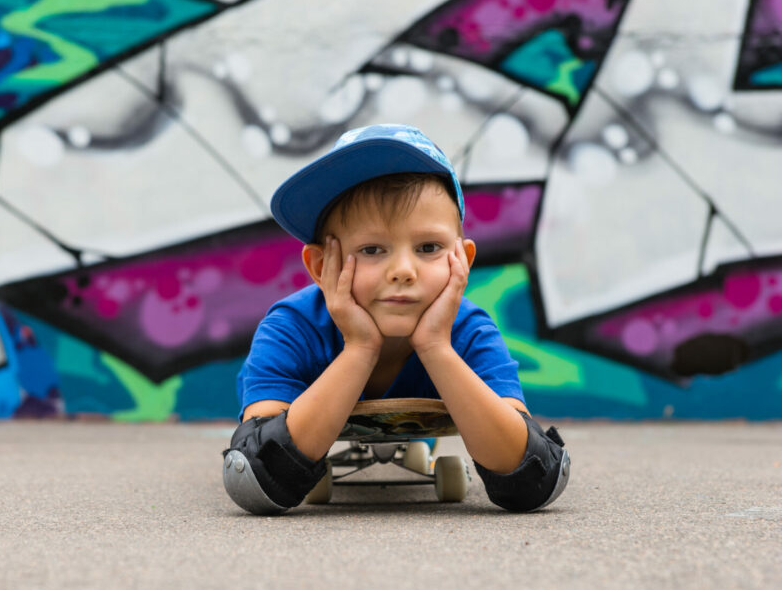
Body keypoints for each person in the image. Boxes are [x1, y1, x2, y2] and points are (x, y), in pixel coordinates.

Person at [222, 123, 569, 515]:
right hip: (308, 412)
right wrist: (360, 348)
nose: (403, 270)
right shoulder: (291, 329)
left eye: (428, 247)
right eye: (372, 249)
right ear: (321, 266)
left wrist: (436, 348)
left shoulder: (469, 332)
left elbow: (532, 478)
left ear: (463, 261)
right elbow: (256, 470)